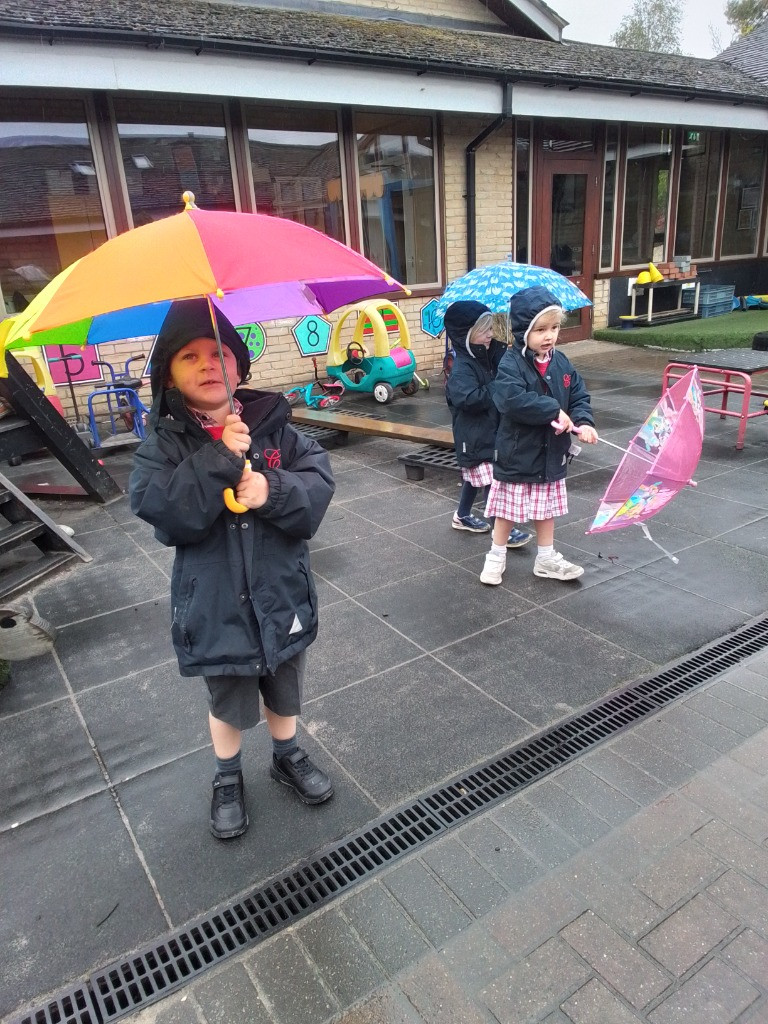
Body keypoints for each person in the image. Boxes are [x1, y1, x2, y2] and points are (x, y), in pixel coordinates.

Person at [129, 298, 336, 840]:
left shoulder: (275, 427)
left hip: (280, 591)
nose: (207, 364)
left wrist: (272, 489)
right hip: (215, 602)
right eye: (190, 356)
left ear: (240, 366)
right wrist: (219, 457)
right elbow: (165, 511)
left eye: (219, 352)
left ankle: (286, 754)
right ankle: (227, 776)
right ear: (168, 374)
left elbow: (317, 482)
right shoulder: (165, 444)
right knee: (228, 697)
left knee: (284, 683)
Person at [480, 286, 598, 586]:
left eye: (555, 327)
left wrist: (583, 421)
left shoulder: (562, 363)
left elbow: (578, 396)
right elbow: (510, 399)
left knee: (546, 510)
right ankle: (496, 555)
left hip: (551, 454)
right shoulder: (511, 363)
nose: (549, 336)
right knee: (507, 511)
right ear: (523, 331)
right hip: (518, 452)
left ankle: (546, 557)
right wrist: (553, 410)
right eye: (540, 329)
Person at [443, 300, 531, 548]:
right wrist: (497, 387)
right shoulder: (461, 367)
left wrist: (515, 352)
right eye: (484, 331)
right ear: (467, 335)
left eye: (491, 328)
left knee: (474, 477)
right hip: (473, 435)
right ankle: (500, 530)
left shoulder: (490, 353)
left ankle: (461, 515)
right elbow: (468, 399)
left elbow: (507, 365)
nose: (491, 335)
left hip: (489, 430)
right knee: (491, 480)